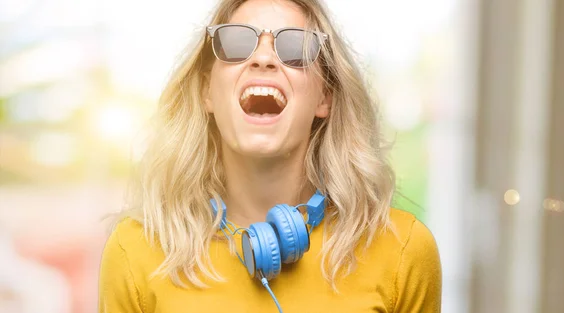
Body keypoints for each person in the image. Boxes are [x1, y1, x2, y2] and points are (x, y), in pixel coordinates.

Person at [98, 0, 442, 312]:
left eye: (294, 47)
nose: (263, 58)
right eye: (236, 42)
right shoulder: (137, 250)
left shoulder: (402, 250)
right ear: (207, 92)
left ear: (324, 97)